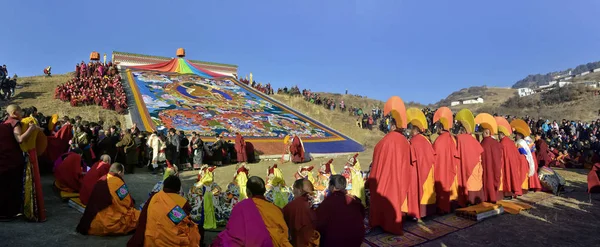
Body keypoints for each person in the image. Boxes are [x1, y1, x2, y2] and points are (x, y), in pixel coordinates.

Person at [368, 96, 412, 235]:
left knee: (381, 199)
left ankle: (379, 222)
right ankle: (395, 223)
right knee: (396, 200)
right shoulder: (405, 142)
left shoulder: (384, 141)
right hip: (400, 178)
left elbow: (376, 161)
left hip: (384, 178)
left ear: (393, 125)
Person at [212, 176, 292, 247]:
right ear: (264, 191)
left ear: (247, 192)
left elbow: (233, 232)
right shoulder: (275, 209)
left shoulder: (240, 206)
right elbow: (284, 233)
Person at [127, 176, 201, 247]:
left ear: (163, 186)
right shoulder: (182, 202)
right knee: (195, 230)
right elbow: (185, 222)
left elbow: (143, 218)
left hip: (151, 241)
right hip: (172, 242)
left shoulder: (154, 197)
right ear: (178, 189)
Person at [76, 163, 140, 236]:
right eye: (123, 172)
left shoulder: (102, 178)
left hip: (93, 218)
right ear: (119, 172)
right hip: (109, 219)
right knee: (136, 216)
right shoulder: (117, 182)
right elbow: (126, 202)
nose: (123, 174)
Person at [0, 105, 36, 220]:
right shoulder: (15, 122)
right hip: (12, 160)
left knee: (4, 186)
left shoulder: (5, 123)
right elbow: (19, 139)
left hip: (4, 159)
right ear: (15, 112)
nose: (22, 113)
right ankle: (9, 213)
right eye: (21, 111)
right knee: (12, 186)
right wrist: (32, 128)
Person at [317, 175, 365, 246]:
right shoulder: (353, 199)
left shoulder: (328, 202)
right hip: (357, 238)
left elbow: (320, 224)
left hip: (338, 241)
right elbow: (362, 213)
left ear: (332, 187)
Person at [407, 108, 436, 218]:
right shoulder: (426, 140)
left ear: (415, 130)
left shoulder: (413, 141)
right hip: (429, 169)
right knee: (428, 190)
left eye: (411, 130)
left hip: (419, 170)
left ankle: (419, 212)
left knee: (419, 190)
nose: (410, 132)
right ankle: (429, 212)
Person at [432, 107, 459, 213]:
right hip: (451, 168)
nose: (436, 129)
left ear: (440, 127)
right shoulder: (452, 139)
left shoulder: (438, 141)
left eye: (437, 126)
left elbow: (434, 156)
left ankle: (442, 208)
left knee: (441, 188)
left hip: (440, 168)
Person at [455, 109, 484, 206]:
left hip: (467, 165)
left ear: (462, 130)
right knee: (475, 181)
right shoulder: (473, 140)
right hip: (476, 164)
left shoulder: (460, 138)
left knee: (469, 182)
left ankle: (468, 201)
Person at [283, 179, 320, 247]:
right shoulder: (319, 201)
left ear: (299, 190)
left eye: (294, 190)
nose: (293, 193)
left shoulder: (292, 206)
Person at [477, 114, 504, 203]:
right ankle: (494, 196)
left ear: (485, 133)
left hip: (485, 167)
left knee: (487, 180)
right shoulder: (496, 143)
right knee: (494, 180)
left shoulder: (482, 144)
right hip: (495, 166)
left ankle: (487, 197)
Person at [496, 117, 524, 197]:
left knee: (508, 177)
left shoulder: (503, 143)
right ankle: (515, 190)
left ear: (502, 134)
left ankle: (508, 192)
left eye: (498, 134)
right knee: (513, 177)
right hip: (513, 162)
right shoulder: (510, 142)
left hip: (507, 163)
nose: (498, 136)